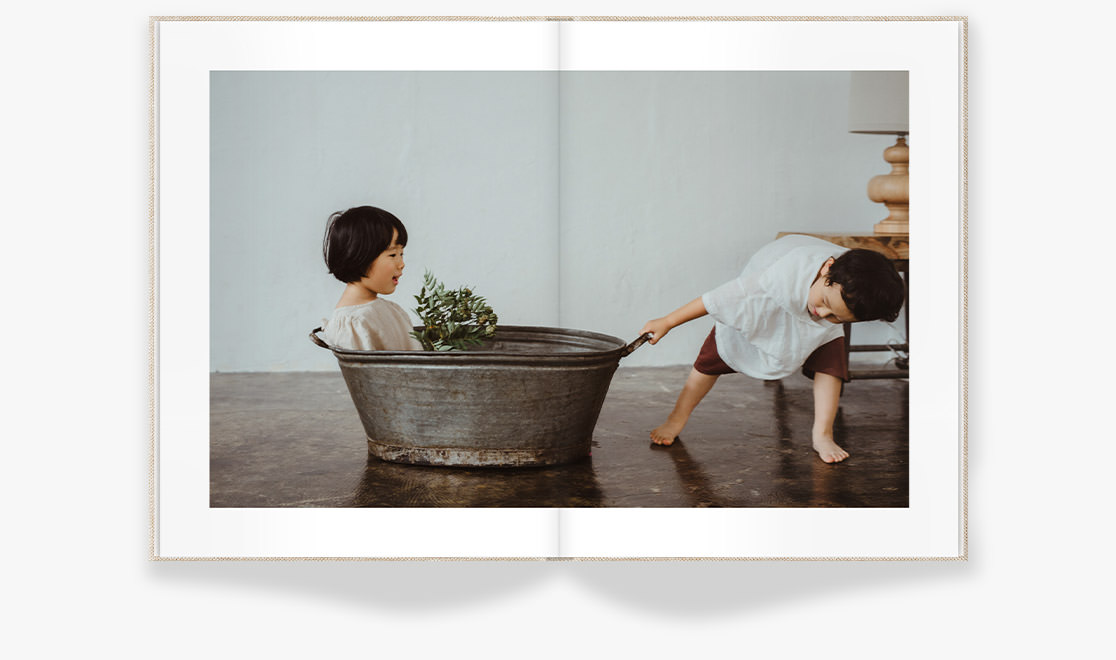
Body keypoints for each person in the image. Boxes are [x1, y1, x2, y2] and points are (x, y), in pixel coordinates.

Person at [639, 234, 905, 463]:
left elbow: (831, 309)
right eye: (824, 302)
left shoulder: (846, 291)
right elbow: (716, 300)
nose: (822, 313)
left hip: (823, 291)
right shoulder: (773, 279)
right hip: (774, 283)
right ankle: (677, 417)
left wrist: (831, 316)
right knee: (712, 357)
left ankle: (822, 434)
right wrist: (668, 321)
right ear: (827, 269)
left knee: (832, 365)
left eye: (836, 317)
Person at [320, 205, 423, 351]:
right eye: (393, 255)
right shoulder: (351, 323)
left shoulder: (391, 310)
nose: (402, 264)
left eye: (402, 254)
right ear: (359, 258)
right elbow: (365, 372)